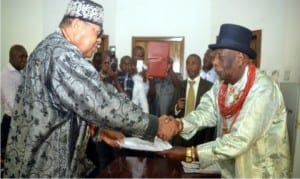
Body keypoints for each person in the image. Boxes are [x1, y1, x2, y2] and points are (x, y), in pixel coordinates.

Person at [3, 0, 178, 177]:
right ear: (77, 25)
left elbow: (65, 110)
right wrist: (155, 125)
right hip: (43, 167)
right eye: (97, 33)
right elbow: (103, 103)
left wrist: (99, 131)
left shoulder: (49, 47)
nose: (99, 41)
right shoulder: (63, 55)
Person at [158, 23, 291, 178]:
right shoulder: (221, 85)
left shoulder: (263, 90)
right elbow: (206, 112)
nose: (214, 62)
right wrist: (178, 125)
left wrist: (188, 153)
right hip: (230, 172)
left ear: (239, 59)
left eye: (220, 56)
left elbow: (239, 139)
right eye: (214, 56)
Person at [168, 54, 215, 147]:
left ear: (200, 67)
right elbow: (170, 110)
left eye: (193, 63)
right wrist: (177, 107)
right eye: (188, 64)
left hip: (200, 135)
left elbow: (212, 113)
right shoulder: (179, 86)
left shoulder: (209, 87)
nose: (190, 67)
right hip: (181, 135)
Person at [0, 44, 28, 163]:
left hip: (21, 121)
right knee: (9, 161)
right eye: (21, 57)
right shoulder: (5, 75)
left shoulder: (21, 71)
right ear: (11, 57)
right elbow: (13, 105)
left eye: (26, 57)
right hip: (11, 122)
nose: (24, 60)